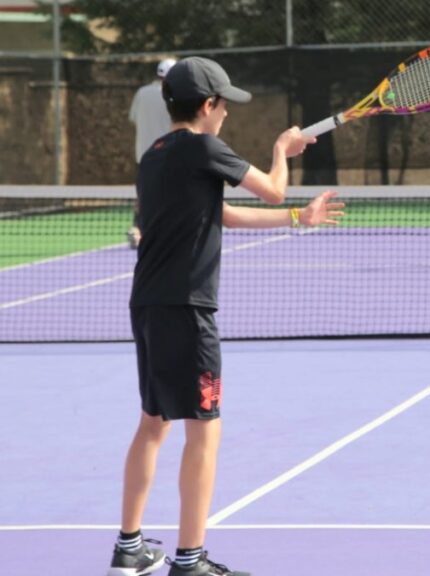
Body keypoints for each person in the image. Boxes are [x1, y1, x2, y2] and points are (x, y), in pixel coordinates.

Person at [107, 56, 344, 576]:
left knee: (153, 423)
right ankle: (190, 561)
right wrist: (283, 150)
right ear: (208, 105)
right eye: (224, 106)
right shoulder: (204, 146)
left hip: (146, 304)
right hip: (189, 309)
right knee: (204, 432)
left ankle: (129, 548)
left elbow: (222, 214)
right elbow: (274, 187)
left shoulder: (156, 155)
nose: (227, 116)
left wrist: (297, 220)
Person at [127, 58, 177, 249]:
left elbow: (133, 119)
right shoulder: (175, 95)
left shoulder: (141, 93)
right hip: (168, 154)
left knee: (143, 194)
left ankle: (136, 230)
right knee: (172, 193)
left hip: (143, 155)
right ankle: (168, 230)